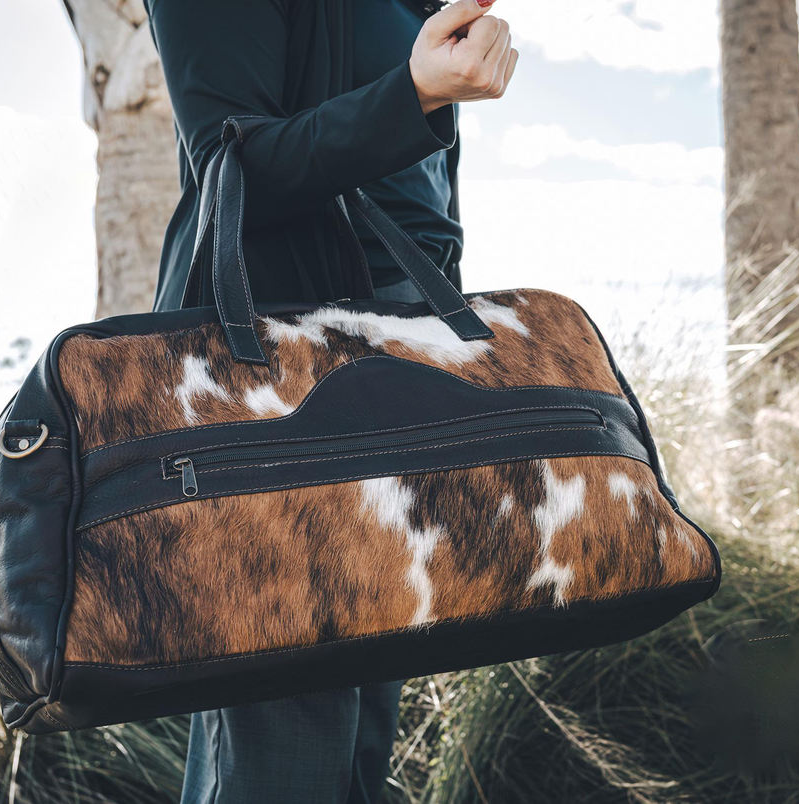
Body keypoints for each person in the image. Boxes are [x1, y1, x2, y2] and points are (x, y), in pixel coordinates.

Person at [141, 0, 518, 801]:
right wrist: (413, 93)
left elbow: (419, 215)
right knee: (286, 745)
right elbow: (231, 167)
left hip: (398, 378)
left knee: (358, 743)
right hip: (274, 392)